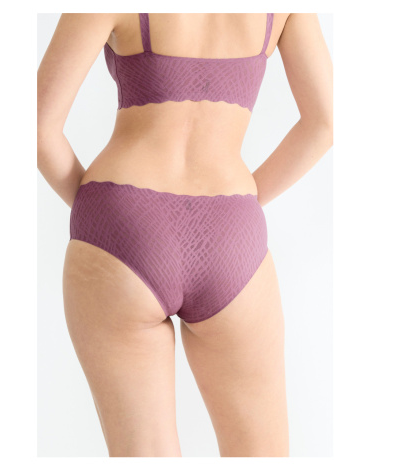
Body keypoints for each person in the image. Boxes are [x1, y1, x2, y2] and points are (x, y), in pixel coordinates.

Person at [37, 13, 333, 457]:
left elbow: (37, 126)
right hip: (231, 230)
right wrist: (242, 204)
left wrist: (99, 210)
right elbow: (325, 122)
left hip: (122, 221)